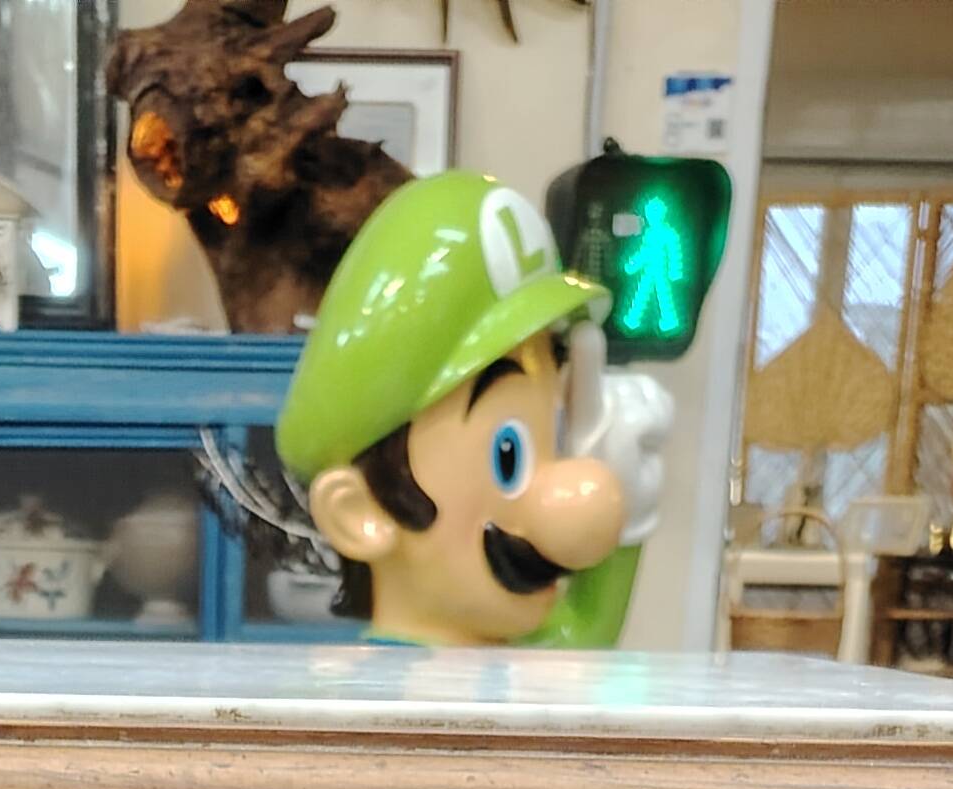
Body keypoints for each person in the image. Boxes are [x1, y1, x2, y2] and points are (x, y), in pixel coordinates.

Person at [273, 173, 670, 650]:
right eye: (509, 455)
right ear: (357, 513)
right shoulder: (381, 686)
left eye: (553, 437)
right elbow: (580, 647)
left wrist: (631, 514)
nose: (571, 494)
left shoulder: (508, 661)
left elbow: (581, 637)